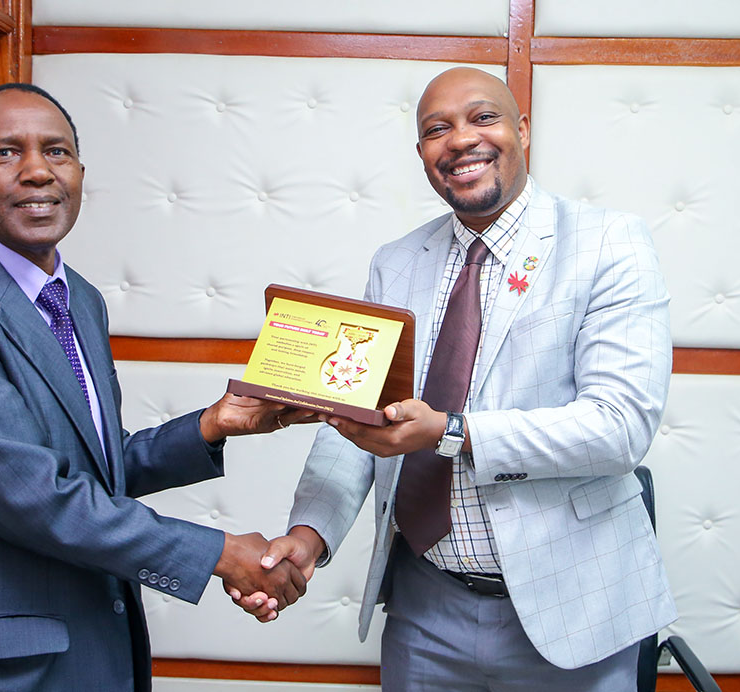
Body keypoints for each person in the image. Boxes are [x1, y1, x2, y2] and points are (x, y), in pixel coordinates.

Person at [0, 83, 312, 692]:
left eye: (56, 151)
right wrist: (220, 553)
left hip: (91, 644)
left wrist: (212, 424)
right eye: (5, 154)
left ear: (78, 172)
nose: (37, 171)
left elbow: (87, 468)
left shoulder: (81, 300)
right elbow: (28, 491)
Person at [232, 67, 676, 690]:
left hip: (572, 605)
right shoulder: (395, 263)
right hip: (424, 607)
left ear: (522, 129)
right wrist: (309, 537)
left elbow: (620, 427)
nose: (460, 139)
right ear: (422, 155)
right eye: (436, 129)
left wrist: (449, 431)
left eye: (483, 118)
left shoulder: (608, 244)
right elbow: (354, 420)